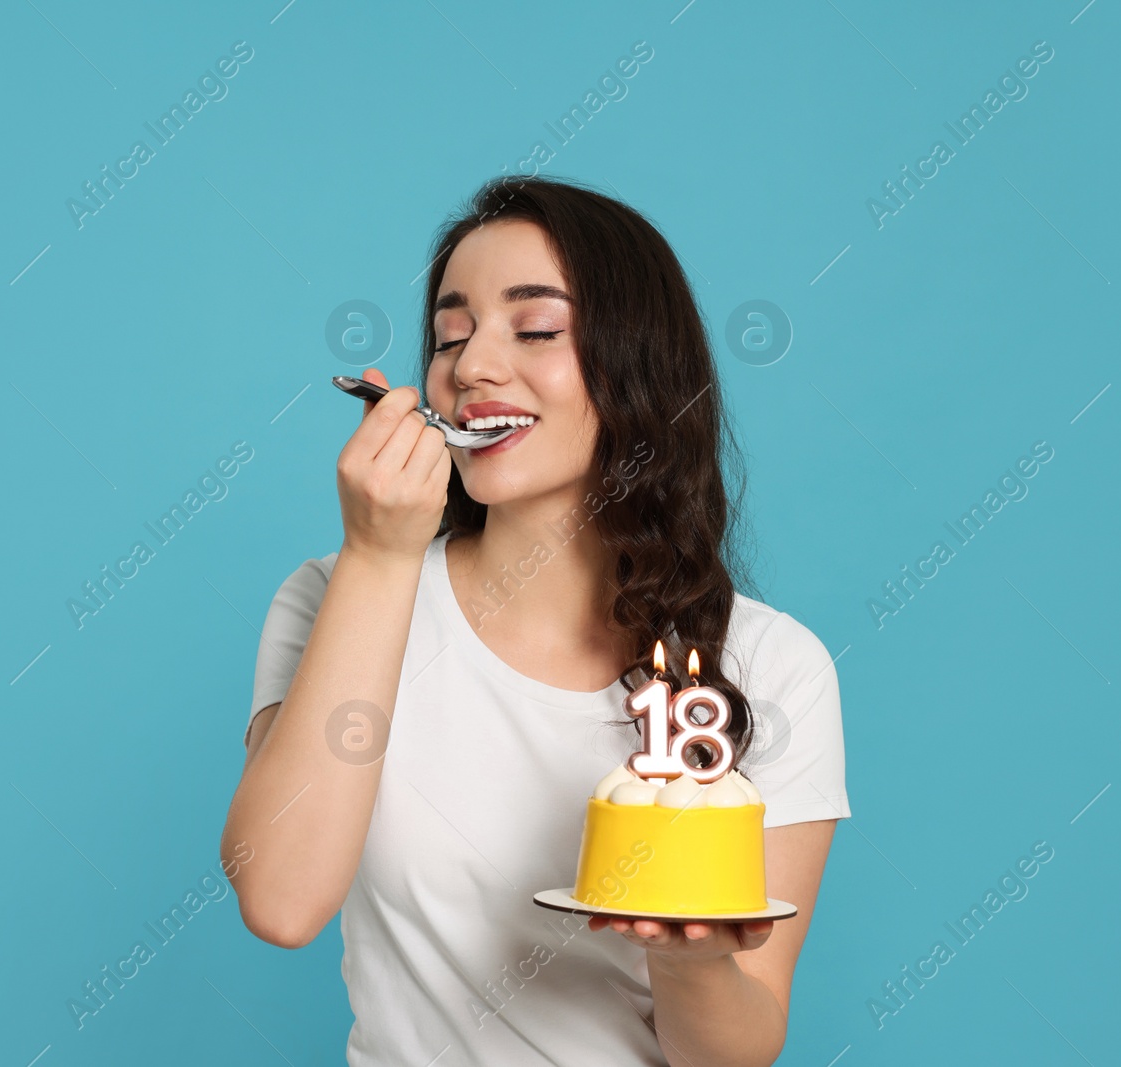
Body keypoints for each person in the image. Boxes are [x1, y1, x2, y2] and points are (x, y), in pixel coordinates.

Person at [220, 175, 851, 1066]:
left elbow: (735, 1054)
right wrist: (379, 556)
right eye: (449, 334)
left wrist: (695, 960)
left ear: (638, 360)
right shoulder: (336, 594)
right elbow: (280, 902)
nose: (472, 364)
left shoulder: (773, 665)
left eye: (536, 328)